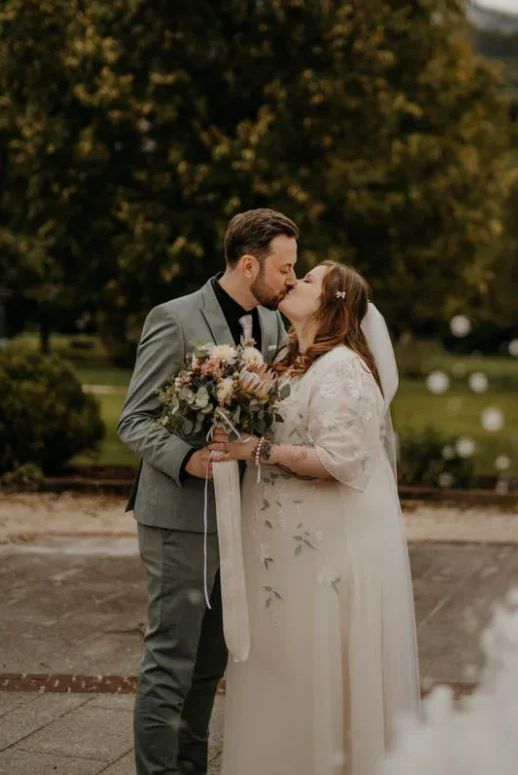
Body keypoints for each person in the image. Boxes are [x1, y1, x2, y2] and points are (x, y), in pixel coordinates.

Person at [212, 260, 420, 775]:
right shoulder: (286, 360)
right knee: (281, 668)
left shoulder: (344, 369)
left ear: (332, 302)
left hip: (321, 556)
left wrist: (257, 450)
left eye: (308, 279)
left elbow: (340, 460)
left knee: (314, 668)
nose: (294, 281)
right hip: (279, 555)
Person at [118, 208, 298, 775]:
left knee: (209, 664)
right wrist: (187, 457)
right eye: (285, 269)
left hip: (239, 516)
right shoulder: (172, 320)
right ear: (250, 264)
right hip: (178, 518)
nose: (292, 281)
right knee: (171, 659)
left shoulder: (271, 327)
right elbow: (134, 419)